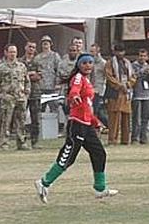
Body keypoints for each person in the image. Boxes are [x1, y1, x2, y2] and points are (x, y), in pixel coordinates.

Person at [34, 54, 118, 204]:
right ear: (79, 65)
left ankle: (100, 188)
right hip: (77, 125)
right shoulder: (78, 77)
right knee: (68, 157)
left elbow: (87, 106)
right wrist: (74, 96)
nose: (88, 65)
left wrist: (95, 121)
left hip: (86, 124)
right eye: (85, 63)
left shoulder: (87, 80)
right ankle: (44, 183)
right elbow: (75, 90)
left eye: (90, 63)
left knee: (99, 153)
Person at [0, 44, 31, 150]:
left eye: (14, 52)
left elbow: (27, 81)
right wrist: (2, 95)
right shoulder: (1, 67)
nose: (13, 54)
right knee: (6, 122)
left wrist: (26, 94)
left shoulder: (21, 66)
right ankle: (5, 143)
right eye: (10, 52)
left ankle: (22, 142)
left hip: (20, 98)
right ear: (6, 53)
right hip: (8, 98)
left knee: (21, 121)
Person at [104, 44, 134, 145]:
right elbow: (109, 77)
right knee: (114, 117)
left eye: (122, 51)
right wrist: (120, 86)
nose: (120, 53)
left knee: (126, 117)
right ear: (114, 52)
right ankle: (112, 140)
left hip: (126, 93)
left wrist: (129, 84)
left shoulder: (127, 63)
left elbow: (133, 76)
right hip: (115, 93)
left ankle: (125, 140)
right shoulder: (110, 63)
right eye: (118, 51)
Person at [22, 41, 42, 148]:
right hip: (23, 93)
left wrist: (28, 76)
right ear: (25, 47)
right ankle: (22, 141)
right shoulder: (20, 61)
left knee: (35, 119)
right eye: (29, 47)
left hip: (35, 93)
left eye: (33, 47)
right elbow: (20, 76)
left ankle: (35, 141)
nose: (31, 49)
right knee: (21, 118)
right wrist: (30, 75)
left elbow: (39, 76)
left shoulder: (37, 62)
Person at [131, 48, 149, 144]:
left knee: (146, 117)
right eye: (141, 56)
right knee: (136, 117)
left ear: (147, 57)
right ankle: (135, 137)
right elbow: (133, 76)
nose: (142, 58)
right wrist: (143, 70)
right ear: (138, 56)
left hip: (146, 94)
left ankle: (143, 137)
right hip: (136, 94)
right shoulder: (133, 66)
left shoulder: (148, 66)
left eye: (144, 56)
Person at [89, 44, 109, 129]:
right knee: (95, 110)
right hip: (90, 88)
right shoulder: (90, 62)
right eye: (90, 51)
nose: (91, 53)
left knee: (97, 110)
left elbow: (106, 77)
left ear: (97, 51)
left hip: (99, 89)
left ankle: (106, 125)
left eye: (92, 51)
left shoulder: (103, 63)